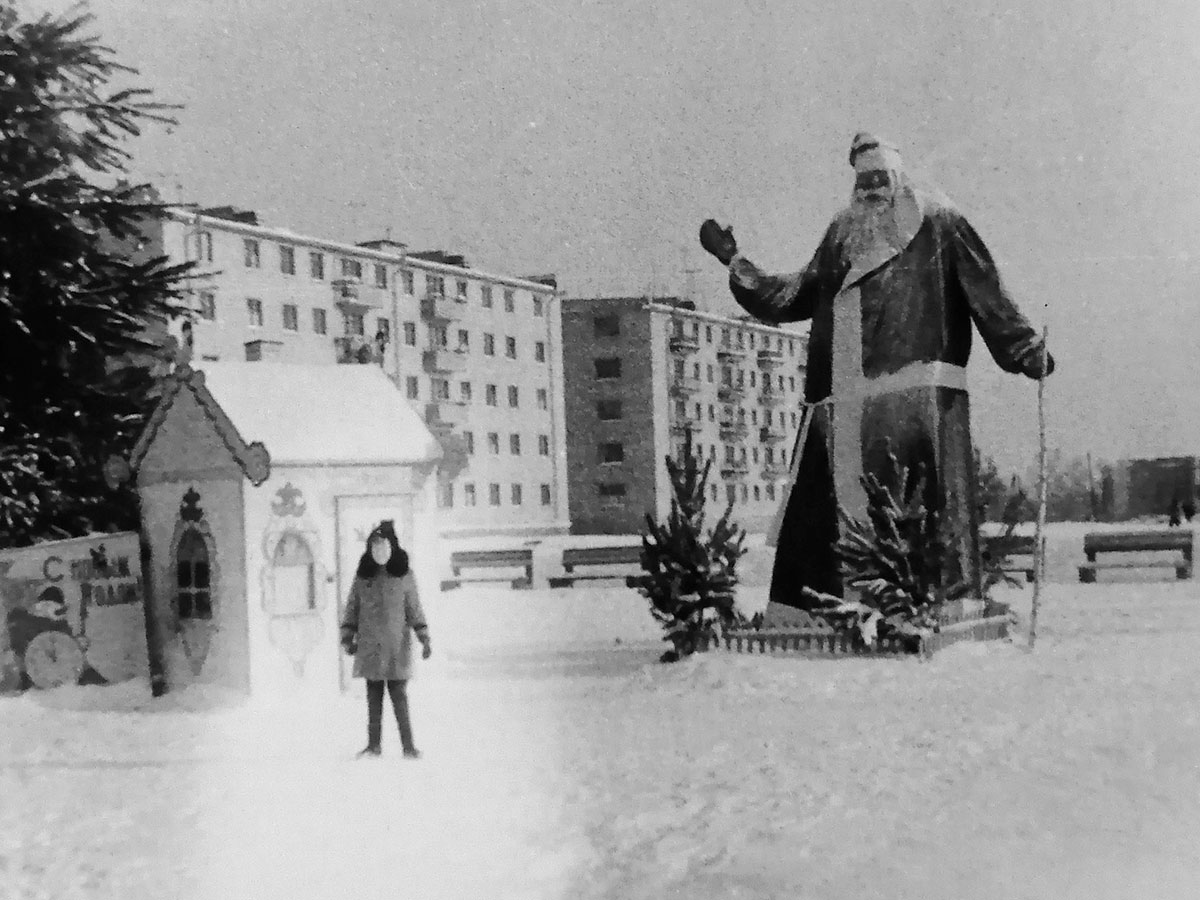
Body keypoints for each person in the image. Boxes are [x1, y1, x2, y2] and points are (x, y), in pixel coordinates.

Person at [700, 133, 1054, 621]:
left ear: (898, 177)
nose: (870, 188)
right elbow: (795, 295)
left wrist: (1022, 346)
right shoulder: (841, 233)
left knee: (914, 512)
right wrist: (736, 264)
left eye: (879, 178)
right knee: (827, 515)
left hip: (916, 403)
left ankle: (929, 611)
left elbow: (983, 286)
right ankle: (819, 614)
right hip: (841, 402)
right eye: (862, 179)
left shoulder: (938, 221)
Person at [340, 520, 431, 758]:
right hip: (370, 647)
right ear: (369, 550)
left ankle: (408, 747)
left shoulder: (404, 576)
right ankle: (374, 745)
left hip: (396, 647)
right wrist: (347, 636)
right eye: (375, 548)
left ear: (392, 547)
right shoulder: (363, 577)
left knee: (399, 697)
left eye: (384, 547)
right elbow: (352, 607)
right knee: (374, 699)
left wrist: (424, 636)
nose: (380, 552)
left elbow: (414, 608)